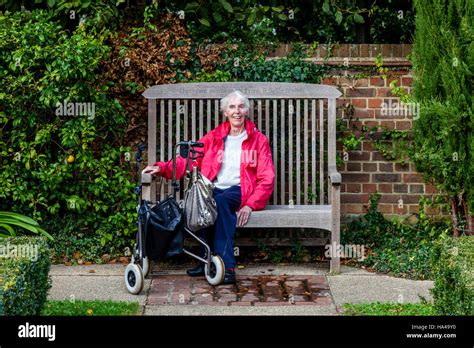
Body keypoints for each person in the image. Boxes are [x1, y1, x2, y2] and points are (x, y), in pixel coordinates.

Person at [142, 90, 275, 284]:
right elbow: (188, 160)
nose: (236, 111)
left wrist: (250, 205)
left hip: (240, 190)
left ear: (246, 111)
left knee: (219, 202)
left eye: (240, 107)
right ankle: (206, 260)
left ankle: (226, 266)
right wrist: (161, 168)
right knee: (201, 202)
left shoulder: (258, 140)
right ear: (225, 112)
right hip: (214, 188)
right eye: (232, 107)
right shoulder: (214, 137)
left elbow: (267, 177)